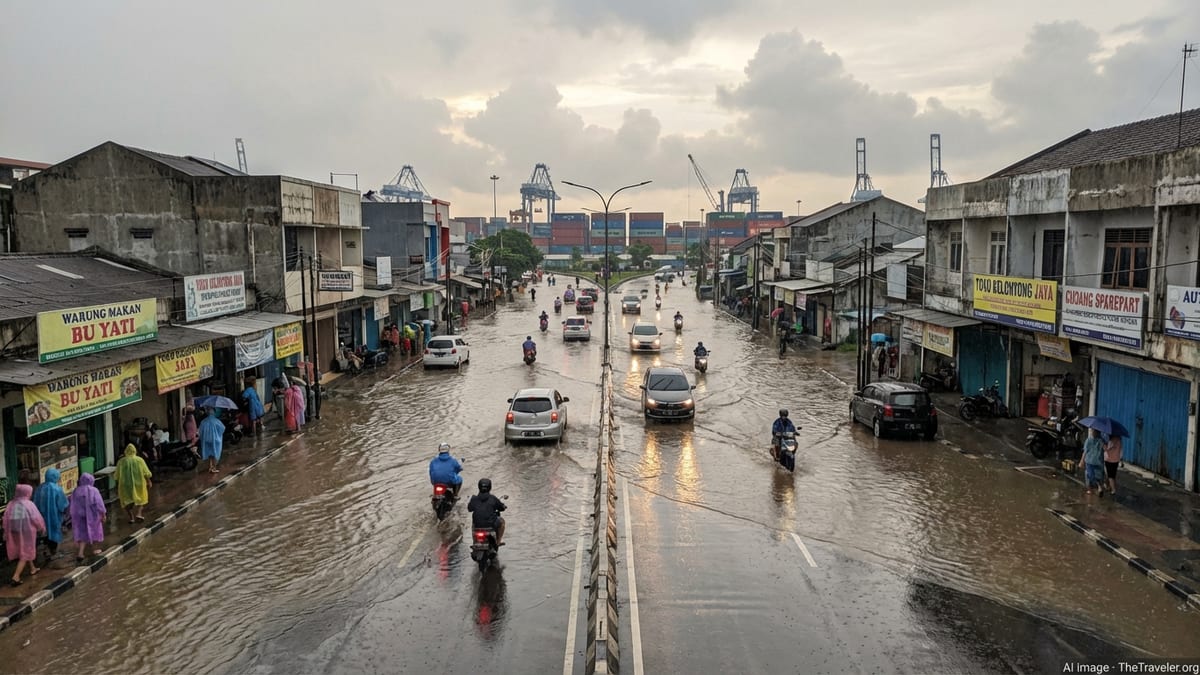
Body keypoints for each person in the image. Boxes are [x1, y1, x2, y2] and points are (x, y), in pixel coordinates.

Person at [4, 484, 45, 586]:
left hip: (14, 532)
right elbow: (36, 518)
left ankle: (32, 568)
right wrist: (41, 527)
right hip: (27, 532)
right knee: (26, 551)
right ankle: (16, 576)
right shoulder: (28, 504)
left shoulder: (11, 504)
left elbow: (5, 519)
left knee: (25, 550)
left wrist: (6, 531)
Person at [33, 467, 69, 562]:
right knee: (53, 531)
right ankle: (51, 551)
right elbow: (63, 504)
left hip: (41, 516)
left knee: (44, 532)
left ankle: (45, 548)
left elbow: (35, 502)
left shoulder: (40, 488)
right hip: (54, 516)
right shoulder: (57, 489)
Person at [69, 473, 107, 562]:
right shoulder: (94, 490)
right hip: (93, 515)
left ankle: (81, 553)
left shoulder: (76, 491)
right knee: (95, 530)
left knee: (83, 533)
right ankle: (95, 549)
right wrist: (103, 514)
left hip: (79, 516)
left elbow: (72, 503)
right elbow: (99, 503)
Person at [116, 444, 152, 524]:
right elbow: (146, 472)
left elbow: (117, 475)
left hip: (125, 485)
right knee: (142, 499)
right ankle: (139, 513)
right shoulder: (139, 460)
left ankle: (131, 517)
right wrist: (149, 481)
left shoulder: (121, 462)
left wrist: (117, 485)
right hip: (139, 484)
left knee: (126, 501)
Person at [468, 478, 507, 546]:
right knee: (502, 521)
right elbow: (501, 508)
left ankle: (474, 542)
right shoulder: (493, 498)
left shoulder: (474, 498)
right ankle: (498, 542)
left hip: (477, 526)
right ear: (490, 487)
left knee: (473, 524)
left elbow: (469, 509)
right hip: (490, 525)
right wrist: (503, 506)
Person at [199, 408, 225, 473]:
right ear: (214, 413)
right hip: (215, 440)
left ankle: (210, 466)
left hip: (206, 440)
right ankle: (214, 467)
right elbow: (223, 428)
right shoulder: (217, 421)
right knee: (215, 453)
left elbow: (200, 431)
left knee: (210, 453)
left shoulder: (203, 421)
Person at [1080, 428, 1105, 496]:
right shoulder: (1091, 440)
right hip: (1093, 461)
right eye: (1091, 431)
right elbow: (1085, 451)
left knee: (1094, 475)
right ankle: (1095, 487)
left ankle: (1097, 487)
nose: (1092, 432)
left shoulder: (1098, 440)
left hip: (1094, 461)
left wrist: (1082, 461)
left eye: (1093, 431)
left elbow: (1105, 449)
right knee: (1093, 475)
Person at [1103, 433, 1123, 497]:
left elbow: (1106, 449)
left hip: (1109, 460)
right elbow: (1121, 451)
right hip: (1116, 460)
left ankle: (1113, 490)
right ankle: (1108, 486)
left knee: (1110, 475)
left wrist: (1104, 445)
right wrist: (1119, 459)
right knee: (1113, 475)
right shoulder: (1119, 441)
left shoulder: (1110, 441)